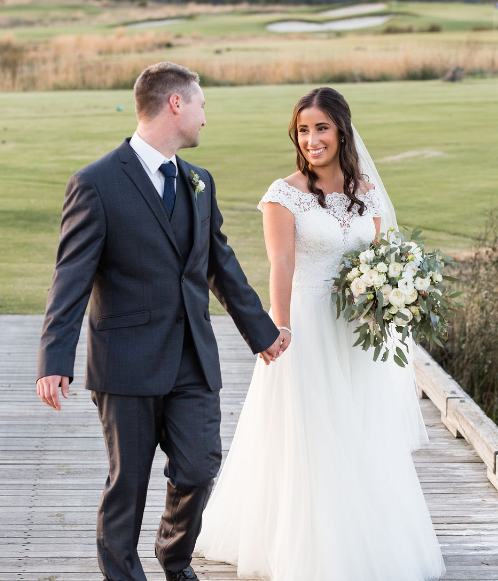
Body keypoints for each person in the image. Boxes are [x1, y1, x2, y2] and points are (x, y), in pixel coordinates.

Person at [35, 62, 283, 581]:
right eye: (201, 105)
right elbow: (70, 279)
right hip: (126, 362)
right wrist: (54, 359)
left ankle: (174, 557)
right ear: (176, 104)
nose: (204, 118)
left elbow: (220, 264)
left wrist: (260, 331)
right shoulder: (96, 183)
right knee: (128, 483)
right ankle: (123, 574)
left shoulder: (199, 181)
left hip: (193, 356)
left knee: (199, 467)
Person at [195, 87, 447, 581]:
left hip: (358, 332)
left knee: (360, 429)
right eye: (304, 130)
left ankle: (371, 537)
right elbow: (281, 264)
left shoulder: (367, 192)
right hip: (307, 326)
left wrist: (398, 291)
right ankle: (309, 549)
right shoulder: (282, 194)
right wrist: (280, 325)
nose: (312, 139)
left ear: (342, 131)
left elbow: (383, 254)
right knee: (310, 432)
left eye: (322, 128)